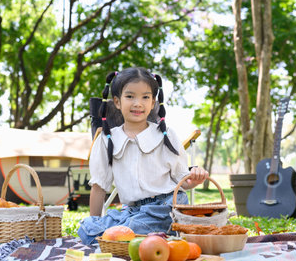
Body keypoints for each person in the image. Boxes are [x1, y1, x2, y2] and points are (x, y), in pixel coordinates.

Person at [78, 67, 208, 245]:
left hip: (165, 208)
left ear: (154, 102)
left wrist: (193, 180)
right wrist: (96, 226)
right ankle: (143, 238)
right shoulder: (107, 140)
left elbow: (182, 180)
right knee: (87, 228)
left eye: (145, 97)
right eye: (130, 96)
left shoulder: (166, 136)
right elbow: (99, 187)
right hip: (130, 211)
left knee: (131, 228)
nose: (138, 103)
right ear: (117, 101)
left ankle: (148, 237)